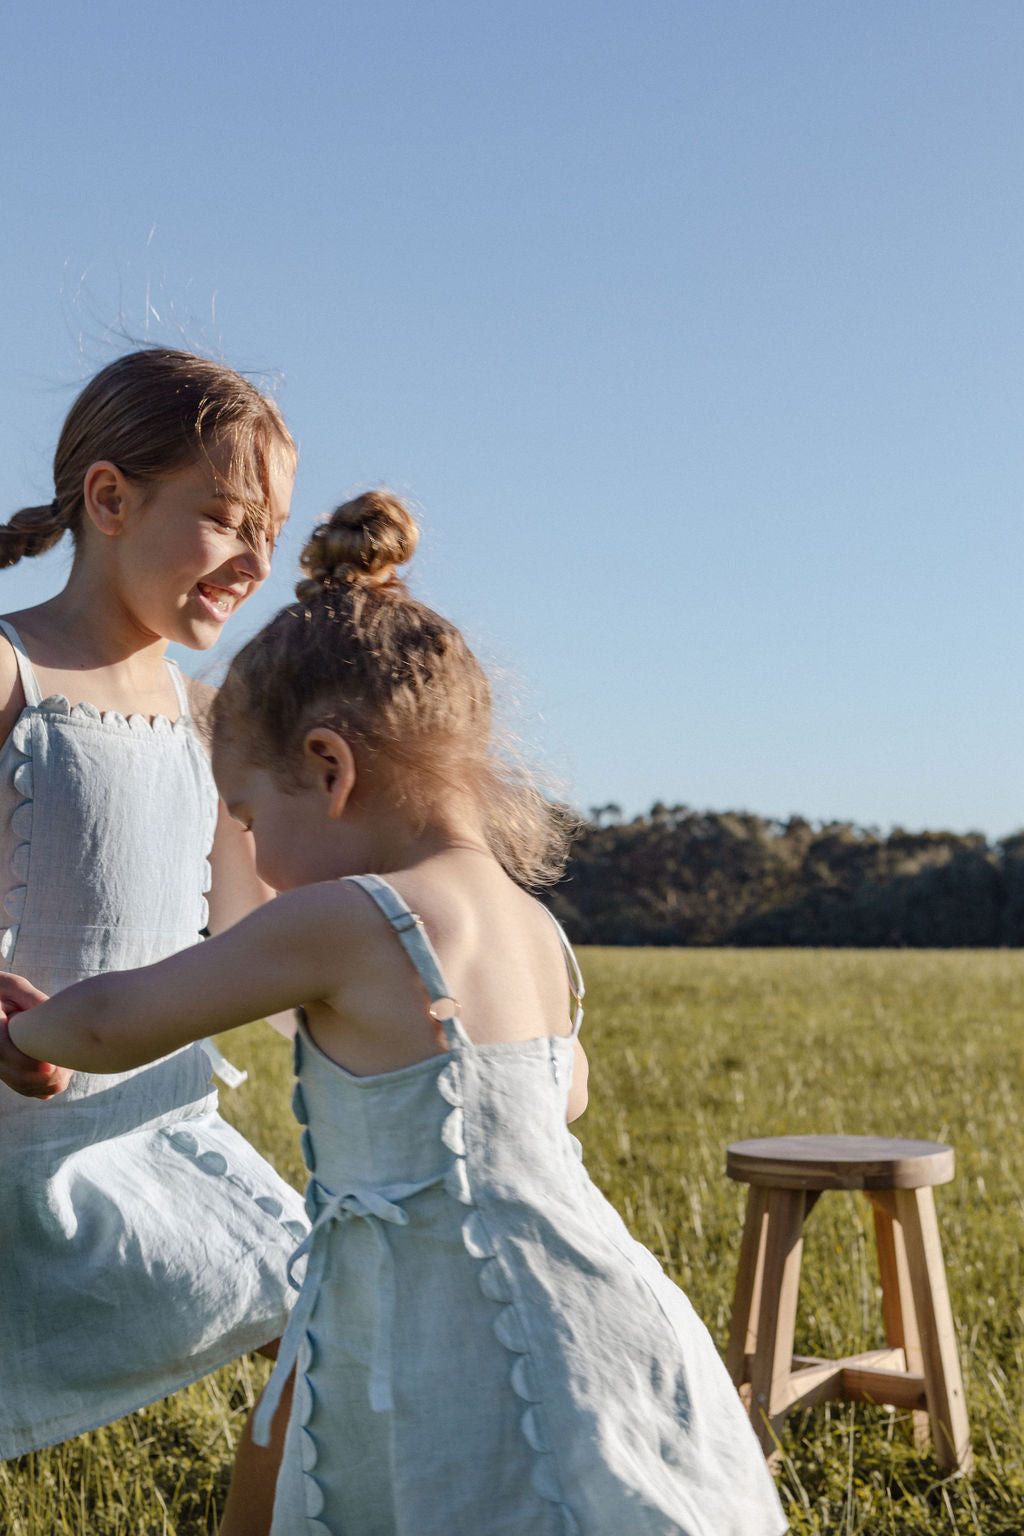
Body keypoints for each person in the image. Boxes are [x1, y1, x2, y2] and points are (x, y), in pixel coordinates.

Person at [0, 489, 787, 1535]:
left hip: (432, 1311)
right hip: (591, 1297)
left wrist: (22, 1031)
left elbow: (115, 1024)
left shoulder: (343, 917)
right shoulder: (531, 927)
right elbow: (564, 1089)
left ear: (328, 770)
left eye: (246, 816)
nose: (250, 852)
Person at [0, 348, 308, 1529]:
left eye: (270, 531)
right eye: (227, 517)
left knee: (334, 1303)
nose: (254, 559)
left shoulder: (209, 720)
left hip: (158, 1131)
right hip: (16, 1144)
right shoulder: (15, 671)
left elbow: (255, 937)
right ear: (112, 499)